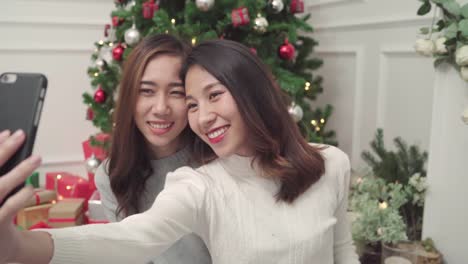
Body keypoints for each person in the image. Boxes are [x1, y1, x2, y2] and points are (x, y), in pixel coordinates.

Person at [0, 39, 360, 264]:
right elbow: (132, 239)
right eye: (192, 103)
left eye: (214, 95)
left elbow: (343, 252)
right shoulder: (199, 185)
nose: (202, 117)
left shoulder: (331, 164)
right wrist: (20, 248)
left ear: (252, 92)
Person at [93, 34, 211, 264]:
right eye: (147, 91)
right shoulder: (111, 175)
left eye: (176, 92)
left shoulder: (216, 160)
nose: (161, 108)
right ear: (130, 97)